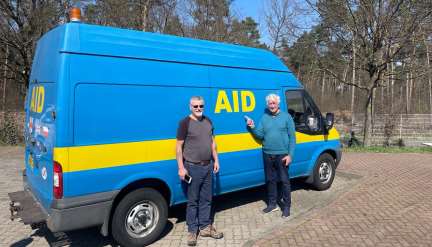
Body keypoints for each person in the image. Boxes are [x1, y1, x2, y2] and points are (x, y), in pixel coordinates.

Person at [176, 96, 223, 246]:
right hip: (192, 167)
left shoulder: (208, 121)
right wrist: (181, 168)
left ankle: (205, 227)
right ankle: (192, 231)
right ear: (190, 106)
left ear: (204, 106)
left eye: (201, 106)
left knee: (207, 199)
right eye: (195, 106)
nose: (198, 109)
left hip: (208, 166)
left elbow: (212, 142)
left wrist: (216, 160)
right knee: (193, 201)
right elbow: (178, 148)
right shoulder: (185, 123)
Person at [246, 93, 296, 218]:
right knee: (270, 180)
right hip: (267, 154)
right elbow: (260, 135)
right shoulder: (264, 118)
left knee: (284, 181)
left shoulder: (287, 117)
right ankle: (272, 204)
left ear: (278, 104)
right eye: (270, 103)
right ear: (267, 105)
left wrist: (290, 155)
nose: (272, 105)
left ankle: (287, 206)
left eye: (274, 103)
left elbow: (293, 137)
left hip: (282, 155)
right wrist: (252, 127)